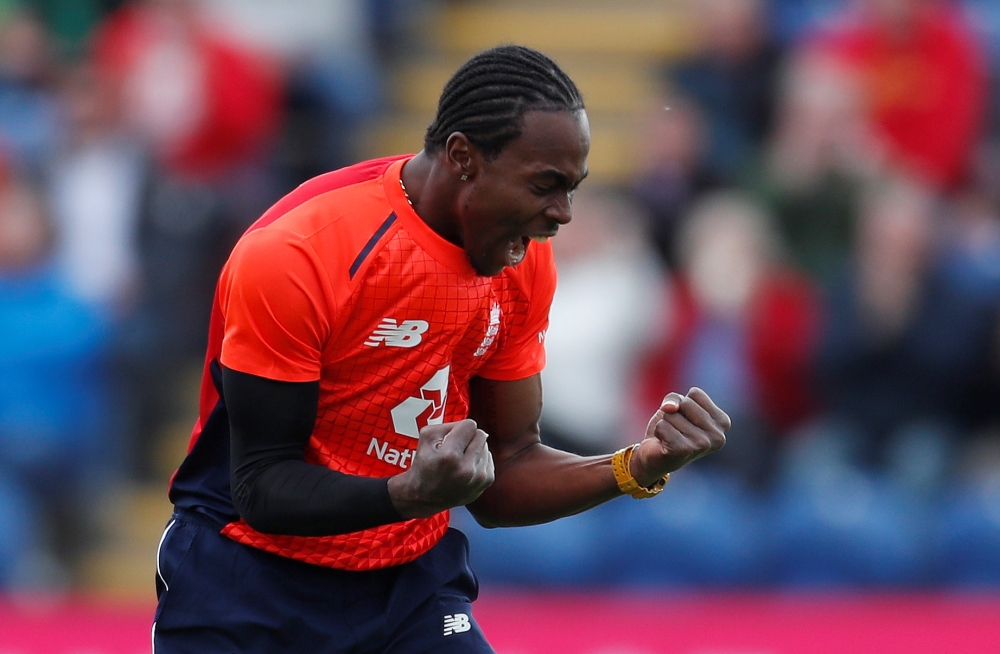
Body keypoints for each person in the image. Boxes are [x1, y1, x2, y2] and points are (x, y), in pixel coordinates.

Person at [152, 45, 731, 653]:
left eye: (572, 189)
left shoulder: (521, 260)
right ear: (463, 159)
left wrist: (635, 466)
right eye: (545, 185)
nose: (561, 215)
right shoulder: (298, 252)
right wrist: (407, 493)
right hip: (245, 582)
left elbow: (504, 473)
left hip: (405, 587)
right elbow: (261, 488)